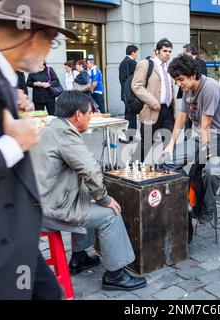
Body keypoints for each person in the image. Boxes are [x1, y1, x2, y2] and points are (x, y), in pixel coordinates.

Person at [0, 0, 79, 299]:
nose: (50, 51)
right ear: (35, 37)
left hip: (10, 239)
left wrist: (7, 95)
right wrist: (10, 146)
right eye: (52, 41)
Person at [30, 91, 147, 291]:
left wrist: (92, 196)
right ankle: (115, 276)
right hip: (48, 209)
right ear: (78, 115)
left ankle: (79, 257)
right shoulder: (65, 134)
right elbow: (90, 169)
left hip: (40, 202)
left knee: (87, 199)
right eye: (90, 113)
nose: (90, 117)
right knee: (110, 214)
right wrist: (104, 198)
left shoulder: (52, 128)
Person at [161, 55, 220, 243]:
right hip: (201, 137)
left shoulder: (210, 87)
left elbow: (206, 124)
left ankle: (205, 209)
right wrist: (170, 145)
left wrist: (207, 152)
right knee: (167, 162)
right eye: (176, 80)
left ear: (193, 75)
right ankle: (185, 202)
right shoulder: (187, 90)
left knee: (211, 170)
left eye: (181, 79)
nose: (179, 84)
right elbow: (182, 118)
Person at [132, 38, 176, 163]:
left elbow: (171, 88)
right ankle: (131, 169)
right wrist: (151, 101)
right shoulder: (145, 64)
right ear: (156, 51)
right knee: (145, 144)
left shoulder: (169, 67)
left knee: (168, 143)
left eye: (169, 51)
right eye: (165, 51)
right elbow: (136, 86)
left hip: (168, 110)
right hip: (151, 109)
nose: (168, 54)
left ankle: (166, 170)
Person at [119, 45, 139, 142]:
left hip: (125, 92)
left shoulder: (123, 62)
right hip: (129, 93)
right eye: (137, 52)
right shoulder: (131, 62)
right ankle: (124, 136)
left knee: (130, 114)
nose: (137, 55)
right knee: (130, 115)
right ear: (133, 52)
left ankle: (130, 135)